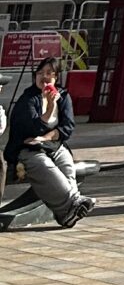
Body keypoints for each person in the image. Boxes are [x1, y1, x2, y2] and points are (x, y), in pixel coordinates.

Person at [4, 55, 93, 226]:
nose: (44, 77)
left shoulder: (63, 96)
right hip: (27, 149)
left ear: (56, 77)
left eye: (49, 73)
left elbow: (68, 127)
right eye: (40, 73)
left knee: (66, 163)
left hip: (54, 145)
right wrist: (50, 108)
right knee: (45, 166)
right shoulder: (27, 99)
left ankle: (67, 213)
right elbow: (32, 129)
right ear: (35, 76)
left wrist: (46, 137)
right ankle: (74, 204)